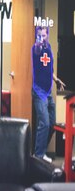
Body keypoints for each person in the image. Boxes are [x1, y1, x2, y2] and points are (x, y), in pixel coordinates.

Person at [31, 24, 65, 162]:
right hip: (39, 92)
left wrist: (56, 80)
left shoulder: (49, 47)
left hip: (48, 91)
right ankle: (38, 156)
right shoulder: (36, 48)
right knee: (44, 123)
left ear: (47, 35)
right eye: (39, 35)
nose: (42, 38)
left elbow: (49, 69)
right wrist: (39, 42)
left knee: (52, 123)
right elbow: (38, 50)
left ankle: (40, 150)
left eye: (44, 35)